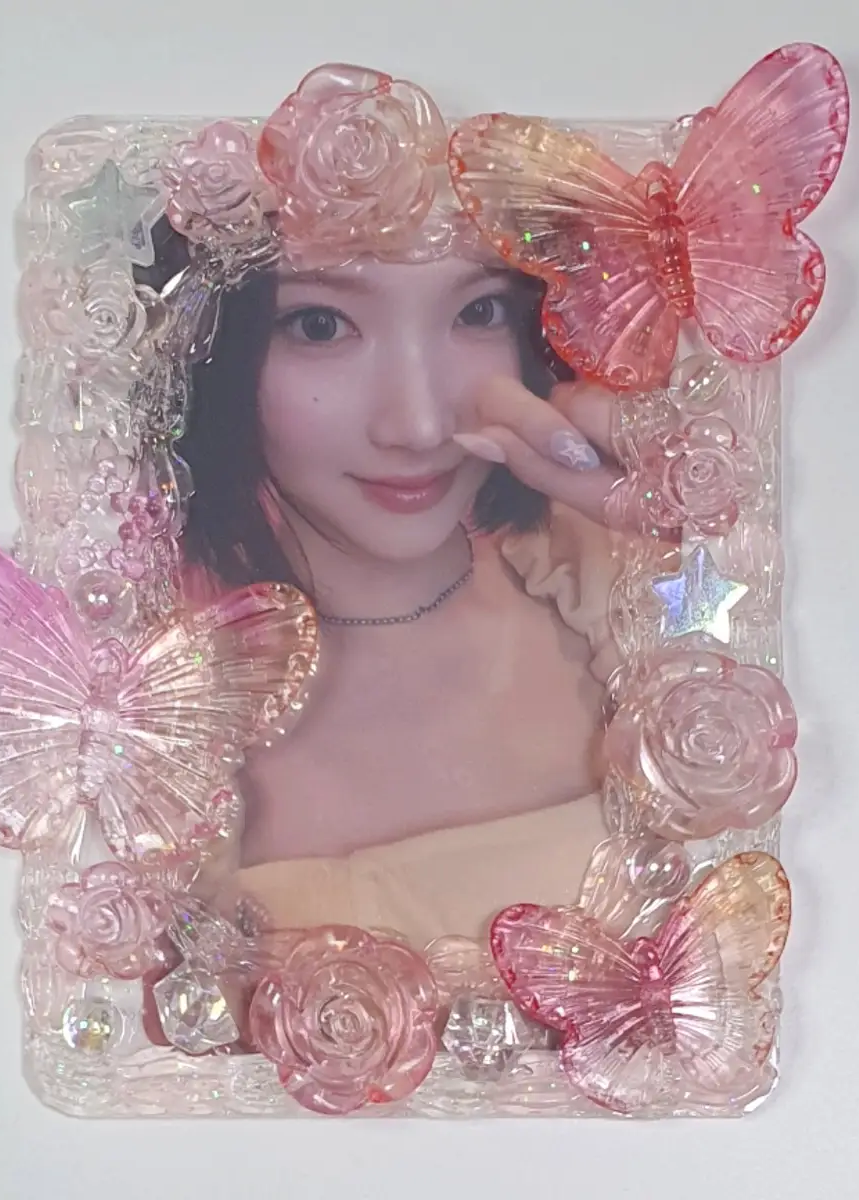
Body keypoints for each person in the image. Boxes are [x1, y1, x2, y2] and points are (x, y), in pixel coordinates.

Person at [167, 245, 639, 949]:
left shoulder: (628, 604)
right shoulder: (148, 724)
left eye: (478, 312)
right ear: (213, 344)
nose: (418, 426)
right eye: (320, 326)